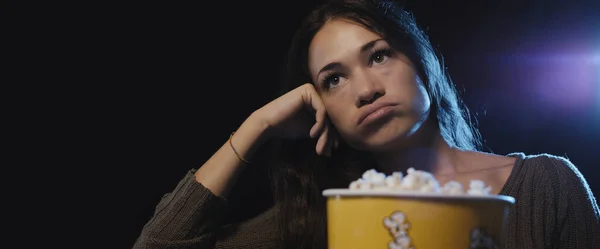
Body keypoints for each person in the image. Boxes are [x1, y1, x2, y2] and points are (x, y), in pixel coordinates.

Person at [132, 0, 600, 248]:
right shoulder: (324, 215)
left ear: (423, 65)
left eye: (378, 56)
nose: (365, 90)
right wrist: (259, 124)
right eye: (333, 80)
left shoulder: (546, 186)